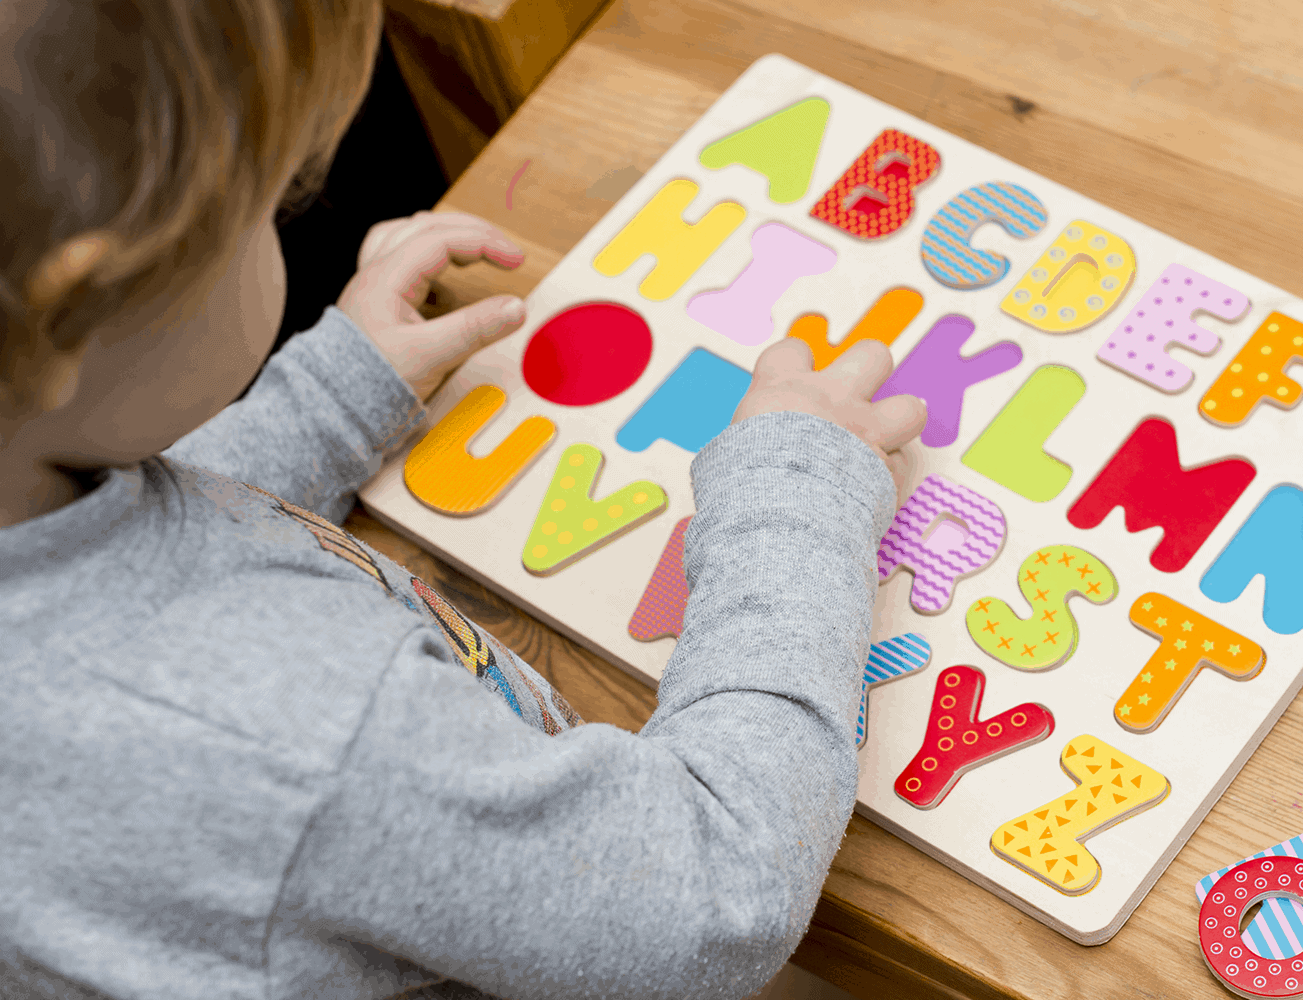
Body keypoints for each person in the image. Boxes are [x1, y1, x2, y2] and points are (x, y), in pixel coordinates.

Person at [0, 2, 926, 998]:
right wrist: (794, 492)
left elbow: (112, 525)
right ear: (76, 305)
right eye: (263, 211)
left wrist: (327, 399)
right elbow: (716, 891)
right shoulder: (305, 738)